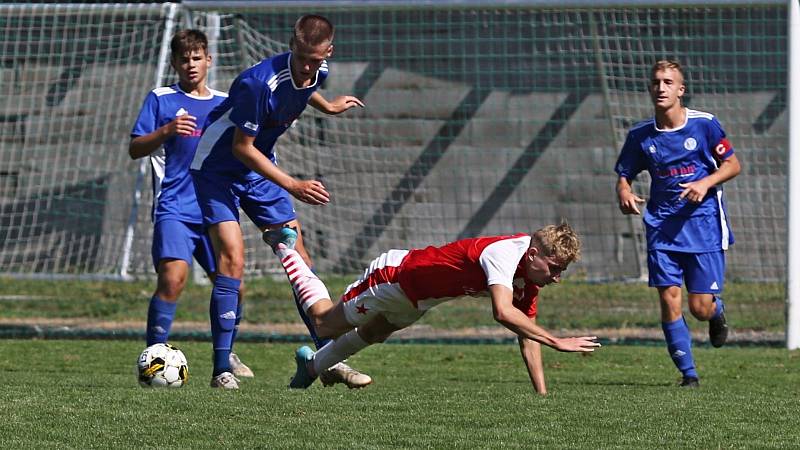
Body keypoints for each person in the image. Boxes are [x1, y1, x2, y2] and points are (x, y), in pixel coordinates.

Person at [191, 14, 370, 389]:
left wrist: (329, 107)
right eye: (301, 56)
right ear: (292, 45)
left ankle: (326, 359)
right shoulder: (259, 84)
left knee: (300, 261)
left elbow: (305, 89)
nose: (307, 64)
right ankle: (222, 368)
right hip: (217, 169)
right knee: (232, 260)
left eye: (315, 58)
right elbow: (242, 148)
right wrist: (293, 184)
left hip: (259, 170)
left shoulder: (318, 72)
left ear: (328, 52)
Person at [263, 223, 601, 393]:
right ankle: (285, 247)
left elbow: (525, 332)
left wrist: (541, 396)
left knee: (374, 334)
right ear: (533, 255)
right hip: (394, 278)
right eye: (554, 268)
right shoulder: (505, 253)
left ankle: (311, 368)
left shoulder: (528, 279)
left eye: (562, 271)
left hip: (419, 300)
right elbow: (502, 312)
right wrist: (557, 341)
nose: (556, 278)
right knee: (323, 322)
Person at [129, 29, 255, 382]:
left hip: (215, 209)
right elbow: (136, 148)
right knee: (173, 279)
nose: (191, 64)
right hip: (175, 207)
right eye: (184, 59)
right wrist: (167, 130)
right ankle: (154, 356)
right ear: (174, 63)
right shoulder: (161, 99)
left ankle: (226, 355)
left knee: (235, 285)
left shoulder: (224, 103)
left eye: (197, 57)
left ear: (209, 60)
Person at [614, 60, 742, 388]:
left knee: (699, 307)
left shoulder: (705, 125)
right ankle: (689, 375)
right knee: (669, 296)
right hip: (662, 227)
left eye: (668, 82)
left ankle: (715, 312)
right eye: (656, 82)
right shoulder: (640, 135)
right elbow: (624, 173)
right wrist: (624, 190)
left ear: (680, 90)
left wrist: (705, 183)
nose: (661, 88)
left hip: (703, 226)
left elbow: (733, 164)